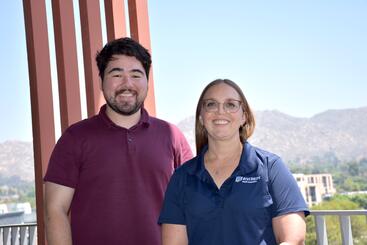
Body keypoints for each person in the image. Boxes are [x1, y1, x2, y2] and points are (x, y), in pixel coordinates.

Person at [44, 37, 193, 245]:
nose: (127, 84)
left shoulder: (172, 136)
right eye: (117, 74)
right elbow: (55, 210)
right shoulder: (75, 138)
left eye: (136, 74)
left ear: (147, 81)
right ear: (101, 80)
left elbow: (191, 206)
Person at [158, 79, 309, 245]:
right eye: (211, 104)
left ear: (244, 116)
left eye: (230, 104)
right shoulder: (182, 176)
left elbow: (293, 238)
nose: (220, 111)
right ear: (201, 117)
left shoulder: (271, 167)